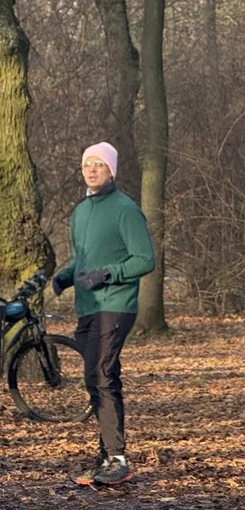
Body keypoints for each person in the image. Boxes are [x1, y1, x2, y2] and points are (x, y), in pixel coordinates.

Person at [51, 142, 155, 486]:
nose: (92, 170)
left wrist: (108, 272)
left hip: (115, 304)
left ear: (112, 169)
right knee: (95, 379)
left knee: (102, 374)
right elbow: (83, 258)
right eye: (87, 165)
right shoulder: (81, 211)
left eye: (99, 164)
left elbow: (145, 259)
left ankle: (117, 458)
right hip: (87, 306)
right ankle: (106, 455)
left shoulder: (125, 209)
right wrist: (67, 275)